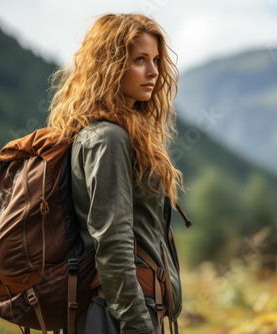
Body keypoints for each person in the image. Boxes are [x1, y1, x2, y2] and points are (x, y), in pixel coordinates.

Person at [47, 13, 187, 334]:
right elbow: (112, 243)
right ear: (110, 65)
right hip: (115, 315)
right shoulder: (108, 138)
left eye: (155, 60)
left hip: (126, 309)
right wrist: (138, 325)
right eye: (140, 60)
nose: (153, 71)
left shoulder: (119, 132)